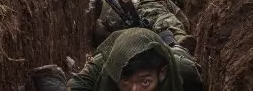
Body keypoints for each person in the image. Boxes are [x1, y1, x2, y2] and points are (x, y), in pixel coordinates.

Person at [68, 28, 202, 91]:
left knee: (177, 51)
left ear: (161, 73)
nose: (134, 90)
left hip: (175, 55)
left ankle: (175, 44)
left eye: (145, 82)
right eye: (125, 82)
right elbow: (75, 86)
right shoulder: (104, 65)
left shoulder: (185, 73)